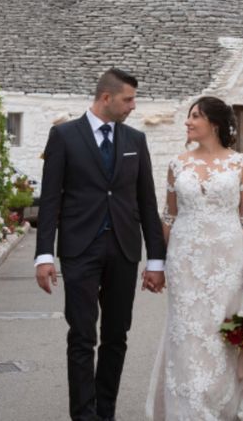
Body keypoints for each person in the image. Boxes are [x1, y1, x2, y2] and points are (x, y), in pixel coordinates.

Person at [145, 96, 243, 420]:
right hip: (184, 261)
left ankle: (221, 407)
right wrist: (155, 264)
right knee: (185, 334)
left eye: (195, 116)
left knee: (219, 335)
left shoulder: (241, 164)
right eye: (188, 117)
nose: (188, 122)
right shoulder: (177, 164)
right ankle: (186, 409)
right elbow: (169, 218)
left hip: (226, 263)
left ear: (213, 123)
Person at [35, 68, 167, 421]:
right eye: (128, 99)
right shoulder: (64, 136)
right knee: (81, 335)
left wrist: (156, 260)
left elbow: (147, 202)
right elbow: (50, 200)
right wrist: (44, 255)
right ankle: (84, 415)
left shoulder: (136, 141)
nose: (133, 106)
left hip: (124, 250)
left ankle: (104, 411)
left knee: (116, 335)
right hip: (79, 250)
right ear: (106, 98)